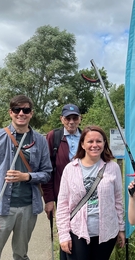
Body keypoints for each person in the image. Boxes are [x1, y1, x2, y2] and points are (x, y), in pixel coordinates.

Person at [0, 95, 52, 260]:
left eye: (26, 110)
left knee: (20, 255)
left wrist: (27, 176)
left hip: (28, 208)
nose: (21, 113)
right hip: (0, 209)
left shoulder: (40, 141)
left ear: (31, 113)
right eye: (17, 110)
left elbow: (47, 173)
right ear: (10, 112)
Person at [56, 125, 125, 260]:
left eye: (99, 141)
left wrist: (121, 228)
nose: (95, 145)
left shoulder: (113, 167)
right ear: (82, 144)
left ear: (104, 143)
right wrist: (63, 235)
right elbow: (63, 204)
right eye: (90, 141)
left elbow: (118, 200)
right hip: (77, 231)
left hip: (106, 232)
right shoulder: (70, 169)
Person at [42, 104, 82, 259]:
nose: (71, 122)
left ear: (80, 119)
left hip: (85, 193)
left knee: (81, 229)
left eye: (75, 118)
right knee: (65, 229)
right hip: (62, 194)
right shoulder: (54, 137)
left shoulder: (86, 135)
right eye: (68, 118)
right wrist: (49, 199)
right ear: (62, 119)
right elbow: (48, 169)